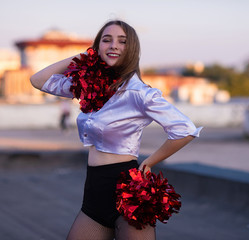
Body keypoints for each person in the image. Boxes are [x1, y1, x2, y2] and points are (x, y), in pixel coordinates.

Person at [30, 20, 202, 240]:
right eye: (106, 40)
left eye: (122, 41)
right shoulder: (87, 86)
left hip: (128, 191)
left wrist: (149, 162)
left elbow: (185, 129)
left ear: (131, 50)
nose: (114, 46)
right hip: (94, 189)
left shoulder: (139, 93)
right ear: (96, 47)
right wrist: (80, 57)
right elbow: (38, 80)